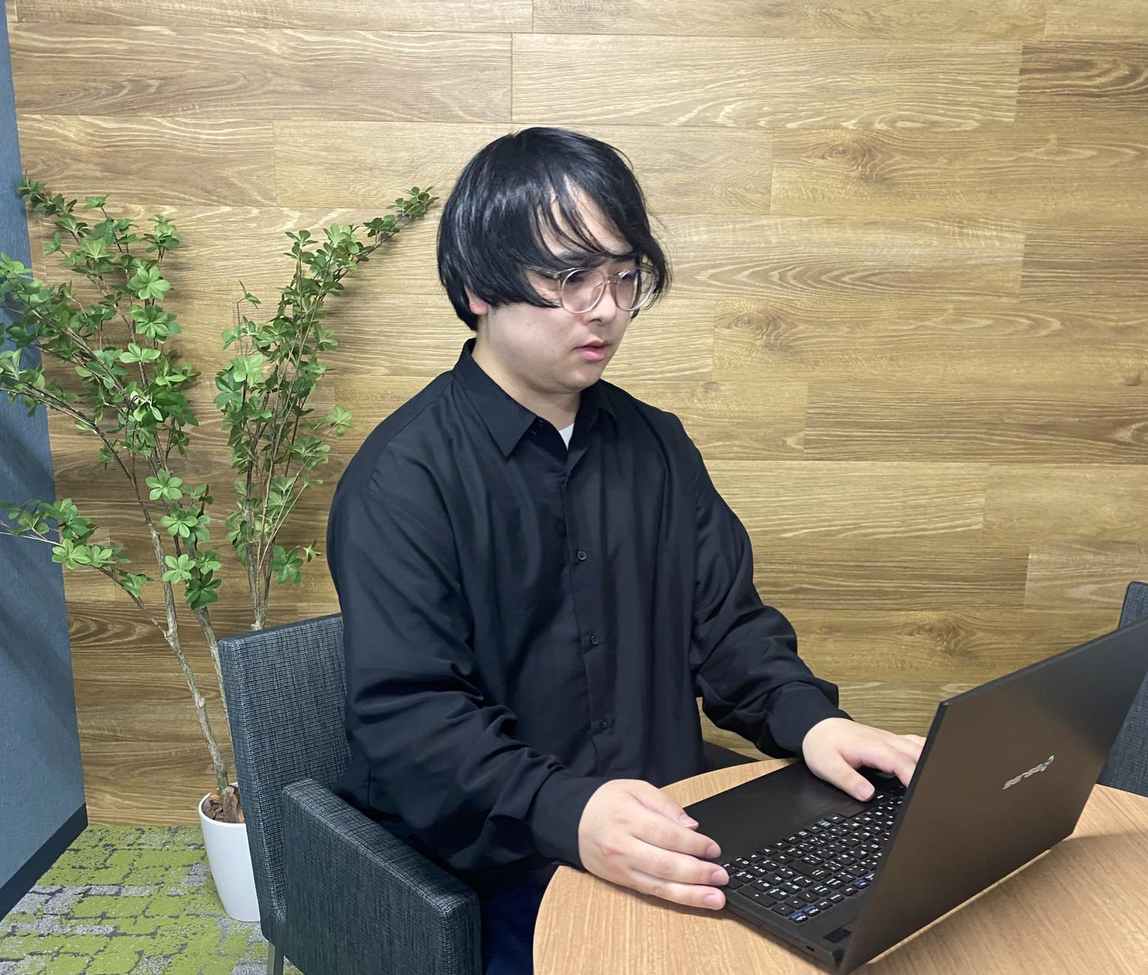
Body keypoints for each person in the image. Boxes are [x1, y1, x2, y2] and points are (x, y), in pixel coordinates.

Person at [325, 126, 925, 975]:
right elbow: (413, 716)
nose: (605, 307)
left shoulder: (658, 445)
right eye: (570, 276)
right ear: (477, 288)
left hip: (664, 820)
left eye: (622, 274)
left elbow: (728, 628)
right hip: (492, 861)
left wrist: (812, 720)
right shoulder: (402, 478)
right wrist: (568, 811)